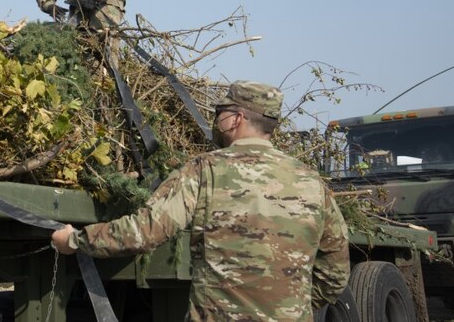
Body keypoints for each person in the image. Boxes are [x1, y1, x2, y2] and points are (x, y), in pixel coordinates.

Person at [51, 81, 350, 321]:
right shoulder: (311, 181)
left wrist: (76, 240)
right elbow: (335, 272)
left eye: (220, 113)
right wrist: (288, 307)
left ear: (237, 119)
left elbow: (145, 230)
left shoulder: (205, 170)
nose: (216, 120)